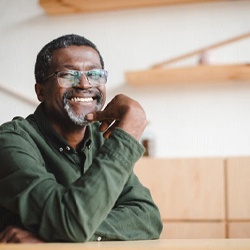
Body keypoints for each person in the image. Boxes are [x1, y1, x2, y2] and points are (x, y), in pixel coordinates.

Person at [0, 34, 162, 243]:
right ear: (40, 91)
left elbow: (147, 218)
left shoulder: (101, 137)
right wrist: (128, 133)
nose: (85, 84)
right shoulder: (11, 141)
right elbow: (70, 222)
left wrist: (57, 233)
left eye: (95, 74)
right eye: (68, 75)